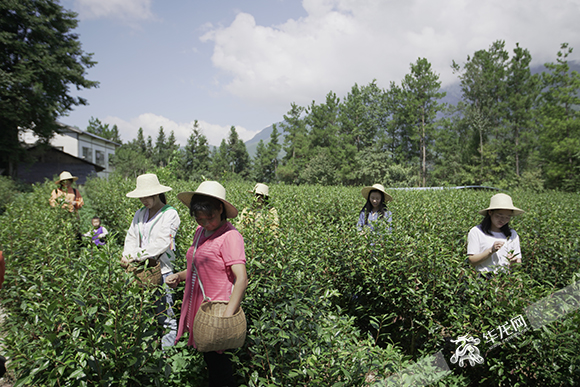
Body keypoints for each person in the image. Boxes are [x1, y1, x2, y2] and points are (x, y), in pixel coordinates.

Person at [167, 181, 248, 387]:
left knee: (220, 368)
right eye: (199, 218)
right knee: (212, 364)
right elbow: (198, 267)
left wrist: (227, 317)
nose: (206, 223)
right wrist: (179, 275)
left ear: (221, 209)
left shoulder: (231, 237)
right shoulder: (200, 232)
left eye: (210, 217)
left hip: (217, 312)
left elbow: (242, 279)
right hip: (200, 307)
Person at [121, 174, 181, 348]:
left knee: (165, 315)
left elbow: (162, 243)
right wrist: (127, 255)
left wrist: (135, 256)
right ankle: (149, 354)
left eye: (146, 196)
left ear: (156, 194)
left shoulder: (170, 214)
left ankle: (167, 356)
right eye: (141, 197)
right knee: (144, 313)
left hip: (163, 271)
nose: (143, 200)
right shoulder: (140, 213)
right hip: (142, 271)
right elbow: (131, 236)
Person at [467, 193, 524, 274]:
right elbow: (472, 261)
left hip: (505, 279)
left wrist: (514, 261)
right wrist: (490, 250)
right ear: (490, 212)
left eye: (507, 217)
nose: (503, 220)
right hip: (484, 279)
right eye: (499, 216)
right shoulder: (477, 231)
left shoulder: (512, 234)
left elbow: (518, 263)